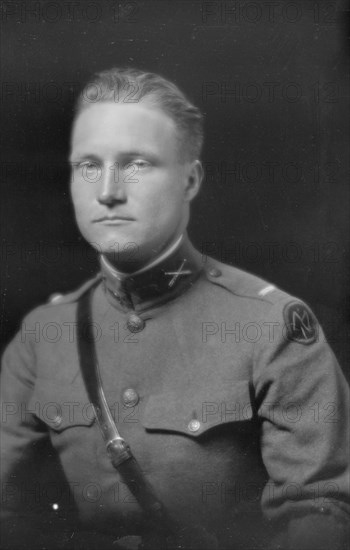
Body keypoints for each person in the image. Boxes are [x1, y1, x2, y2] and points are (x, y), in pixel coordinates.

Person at [1, 67, 349, 550]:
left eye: (138, 163)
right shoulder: (44, 334)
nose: (108, 191)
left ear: (190, 180)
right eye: (88, 165)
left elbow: (323, 515)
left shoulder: (271, 327)